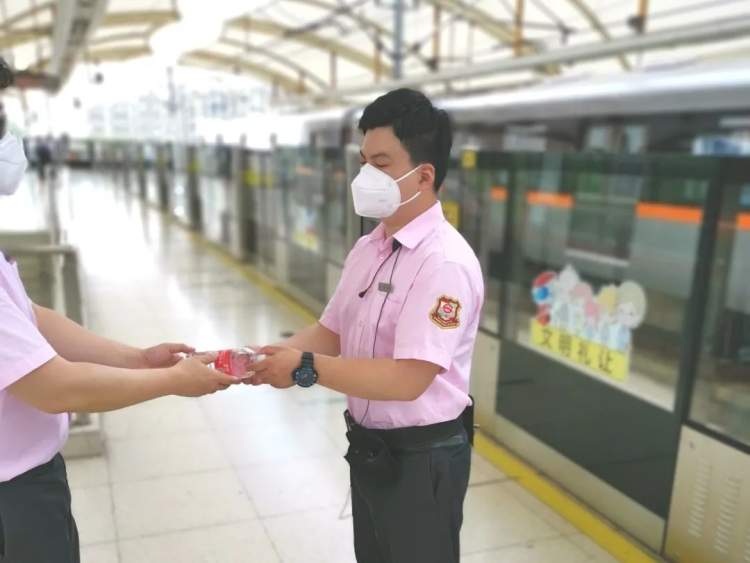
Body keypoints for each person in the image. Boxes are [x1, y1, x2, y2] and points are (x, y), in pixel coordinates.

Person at [0, 57, 239, 563]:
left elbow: (32, 318)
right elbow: (55, 387)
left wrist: (138, 360)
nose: (6, 136)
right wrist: (173, 380)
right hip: (11, 498)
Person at [247, 88, 484, 563]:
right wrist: (261, 357)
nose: (365, 176)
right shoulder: (370, 247)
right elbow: (331, 331)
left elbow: (408, 379)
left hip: (423, 457)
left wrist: (304, 368)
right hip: (370, 446)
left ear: (424, 175)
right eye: (363, 162)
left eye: (381, 163)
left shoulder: (443, 263)